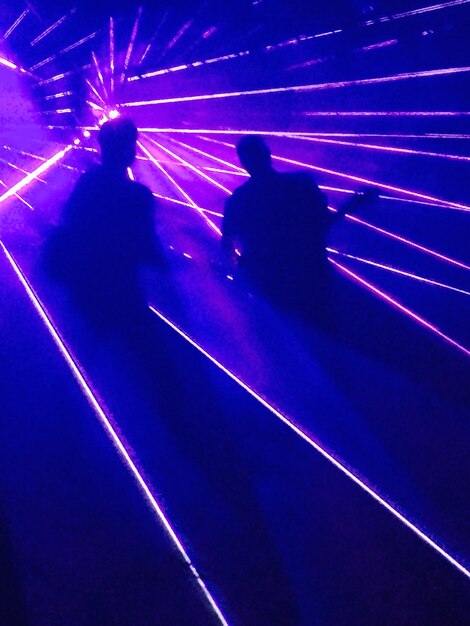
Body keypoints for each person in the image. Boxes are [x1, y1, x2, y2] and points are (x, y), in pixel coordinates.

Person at [47, 117, 161, 334]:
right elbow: (145, 244)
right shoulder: (138, 195)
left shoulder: (88, 181)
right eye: (131, 143)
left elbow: (71, 219)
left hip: (85, 280)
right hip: (120, 283)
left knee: (86, 345)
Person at [223, 135, 335, 314]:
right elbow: (323, 223)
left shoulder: (240, 198)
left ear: (242, 163)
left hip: (268, 282)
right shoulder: (301, 184)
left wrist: (241, 270)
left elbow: (227, 242)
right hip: (309, 275)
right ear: (268, 154)